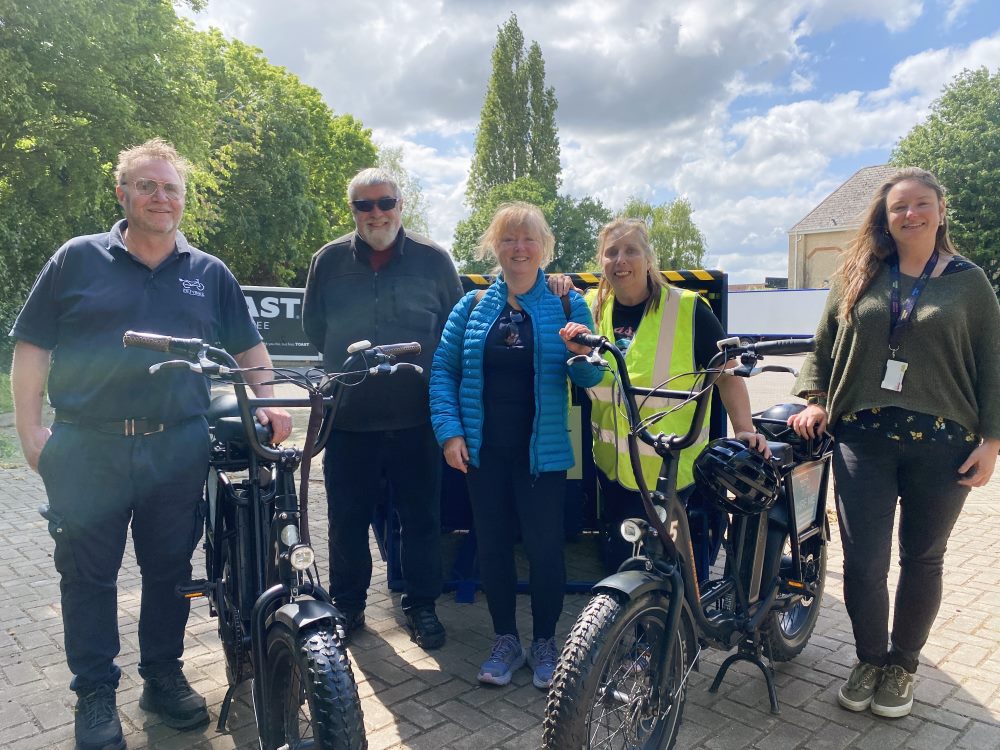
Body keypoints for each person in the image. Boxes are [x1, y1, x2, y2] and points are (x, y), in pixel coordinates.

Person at [9, 138, 292, 750]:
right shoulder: (76, 259)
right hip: (88, 447)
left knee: (169, 573)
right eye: (147, 186)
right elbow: (31, 347)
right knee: (87, 577)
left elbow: (250, 350)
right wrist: (30, 431)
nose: (160, 197)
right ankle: (94, 695)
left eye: (170, 188)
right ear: (123, 194)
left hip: (176, 448)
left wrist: (266, 400)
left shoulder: (209, 273)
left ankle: (162, 676)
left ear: (182, 200)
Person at [788, 167, 1000, 718]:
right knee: (862, 562)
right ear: (885, 217)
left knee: (923, 559)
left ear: (940, 210)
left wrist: (993, 441)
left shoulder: (969, 283)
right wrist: (815, 397)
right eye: (898, 207)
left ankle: (902, 667)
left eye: (921, 204)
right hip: (864, 438)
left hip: (944, 443)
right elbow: (824, 342)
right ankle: (868, 658)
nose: (910, 215)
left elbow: (993, 365)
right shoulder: (858, 272)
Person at [429, 202, 601, 689]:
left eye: (528, 239)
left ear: (543, 246)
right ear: (494, 247)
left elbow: (592, 378)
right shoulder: (472, 306)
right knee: (495, 548)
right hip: (484, 454)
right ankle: (505, 639)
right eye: (508, 239)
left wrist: (579, 355)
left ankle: (545, 642)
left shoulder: (568, 304)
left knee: (547, 551)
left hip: (542, 456)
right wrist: (450, 432)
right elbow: (443, 370)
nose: (519, 248)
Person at [302, 167, 463, 650]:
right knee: (345, 520)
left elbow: (453, 331)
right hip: (349, 420)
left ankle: (421, 606)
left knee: (420, 520)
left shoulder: (435, 261)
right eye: (364, 205)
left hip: (418, 420)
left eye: (385, 202)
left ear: (400, 205)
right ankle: (348, 606)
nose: (376, 213)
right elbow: (316, 328)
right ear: (352, 211)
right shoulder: (327, 261)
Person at [553, 217, 768, 572]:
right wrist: (556, 283)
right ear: (600, 261)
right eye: (611, 252)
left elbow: (727, 374)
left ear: (648, 258)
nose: (620, 261)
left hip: (671, 470)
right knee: (621, 566)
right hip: (615, 470)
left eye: (631, 251)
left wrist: (744, 428)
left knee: (667, 571)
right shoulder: (591, 307)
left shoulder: (687, 308)